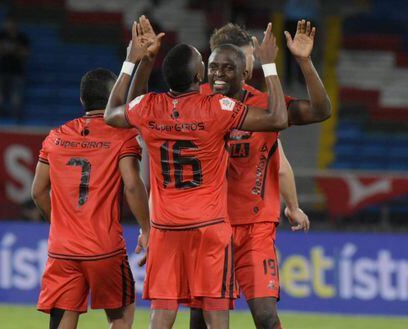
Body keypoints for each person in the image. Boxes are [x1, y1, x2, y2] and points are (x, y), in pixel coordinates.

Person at [104, 17, 288, 329]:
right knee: (216, 314)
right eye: (203, 62)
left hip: (165, 228)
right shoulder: (217, 108)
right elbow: (277, 118)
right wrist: (269, 66)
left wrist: (134, 61)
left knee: (161, 315)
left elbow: (113, 113)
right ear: (197, 74)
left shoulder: (149, 106)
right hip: (209, 227)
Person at [190, 21, 331, 329]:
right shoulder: (193, 101)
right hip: (208, 226)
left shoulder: (267, 105)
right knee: (200, 318)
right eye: (220, 64)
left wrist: (304, 62)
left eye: (238, 62)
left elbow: (317, 115)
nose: (226, 71)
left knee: (266, 317)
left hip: (254, 229)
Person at [31, 65, 150, 328]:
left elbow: (38, 191)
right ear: (114, 98)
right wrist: (147, 228)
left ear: (82, 99)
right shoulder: (123, 136)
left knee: (63, 320)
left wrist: (61, 224)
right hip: (103, 248)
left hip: (62, 250)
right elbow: (132, 185)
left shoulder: (56, 137)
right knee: (122, 315)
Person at [0, 16, 29, 122]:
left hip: (17, 71)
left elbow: (26, 53)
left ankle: (16, 120)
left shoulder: (22, 37)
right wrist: (6, 49)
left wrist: (14, 49)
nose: (9, 26)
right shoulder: (0, 36)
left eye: (11, 24)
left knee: (16, 99)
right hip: (1, 71)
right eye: (7, 24)